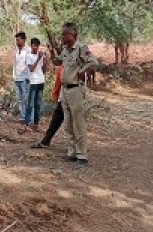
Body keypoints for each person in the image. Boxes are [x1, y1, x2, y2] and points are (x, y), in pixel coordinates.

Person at [51, 22, 99, 166]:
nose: (62, 36)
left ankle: (81, 154)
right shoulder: (65, 49)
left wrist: (82, 71)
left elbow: (93, 62)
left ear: (72, 35)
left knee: (78, 122)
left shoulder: (81, 48)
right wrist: (54, 53)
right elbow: (58, 61)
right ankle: (71, 152)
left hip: (75, 89)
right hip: (65, 90)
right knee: (68, 123)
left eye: (64, 34)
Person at [32, 64, 64, 148]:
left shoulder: (76, 65)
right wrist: (56, 96)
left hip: (73, 98)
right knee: (55, 121)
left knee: (73, 124)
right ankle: (46, 140)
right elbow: (58, 84)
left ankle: (76, 150)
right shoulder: (62, 67)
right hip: (63, 98)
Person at [22, 38, 47, 132]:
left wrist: (45, 61)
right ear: (31, 45)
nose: (36, 48)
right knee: (30, 104)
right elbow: (32, 68)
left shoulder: (40, 56)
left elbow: (44, 71)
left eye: (37, 45)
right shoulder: (28, 56)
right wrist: (39, 58)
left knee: (38, 104)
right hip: (33, 82)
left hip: (41, 81)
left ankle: (36, 124)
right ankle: (26, 124)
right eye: (34, 45)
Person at [12, 32, 30, 123]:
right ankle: (23, 117)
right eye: (16, 40)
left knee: (26, 98)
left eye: (18, 39)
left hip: (25, 78)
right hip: (16, 77)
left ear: (23, 40)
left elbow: (29, 65)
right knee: (20, 98)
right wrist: (14, 76)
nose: (17, 41)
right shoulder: (15, 50)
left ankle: (28, 117)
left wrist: (28, 77)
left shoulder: (28, 50)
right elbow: (14, 63)